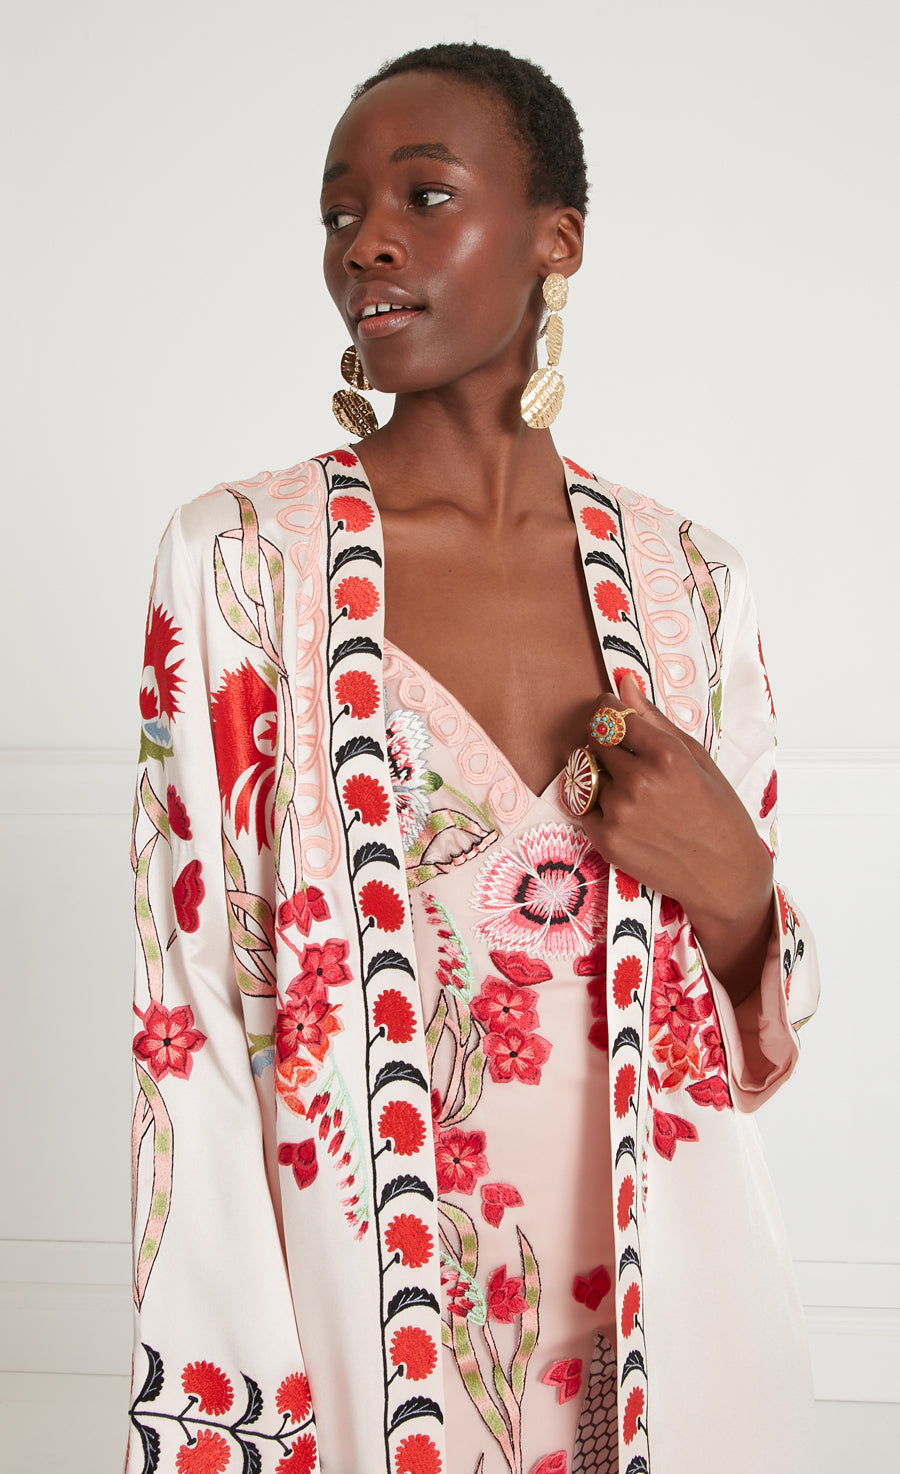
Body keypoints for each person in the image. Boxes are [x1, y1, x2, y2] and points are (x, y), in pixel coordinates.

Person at [127, 42, 819, 1474]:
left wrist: (741, 889)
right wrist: (244, 1402)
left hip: (660, 1316)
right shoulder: (239, 567)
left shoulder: (694, 587)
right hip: (361, 1326)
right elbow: (184, 1013)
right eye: (339, 213)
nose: (365, 243)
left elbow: (758, 1028)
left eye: (424, 196)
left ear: (558, 240)